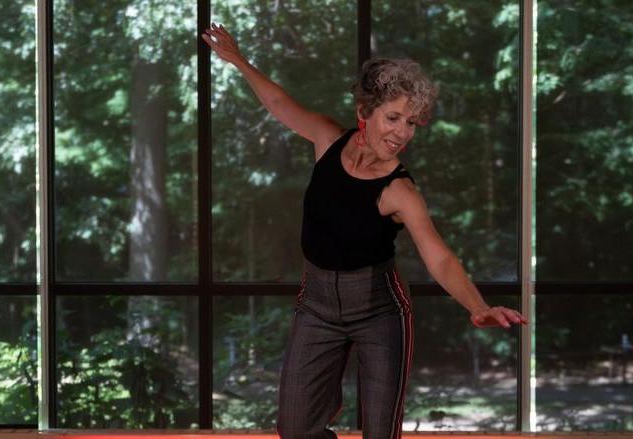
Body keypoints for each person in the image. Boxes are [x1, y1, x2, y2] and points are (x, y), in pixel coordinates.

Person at [202, 22, 527, 439]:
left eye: (411, 123)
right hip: (317, 305)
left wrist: (476, 305)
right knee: (296, 427)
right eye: (393, 118)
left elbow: (439, 256)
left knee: (379, 434)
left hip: (379, 312)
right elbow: (278, 101)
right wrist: (237, 59)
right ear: (364, 114)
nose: (402, 132)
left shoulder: (400, 191)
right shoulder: (326, 141)